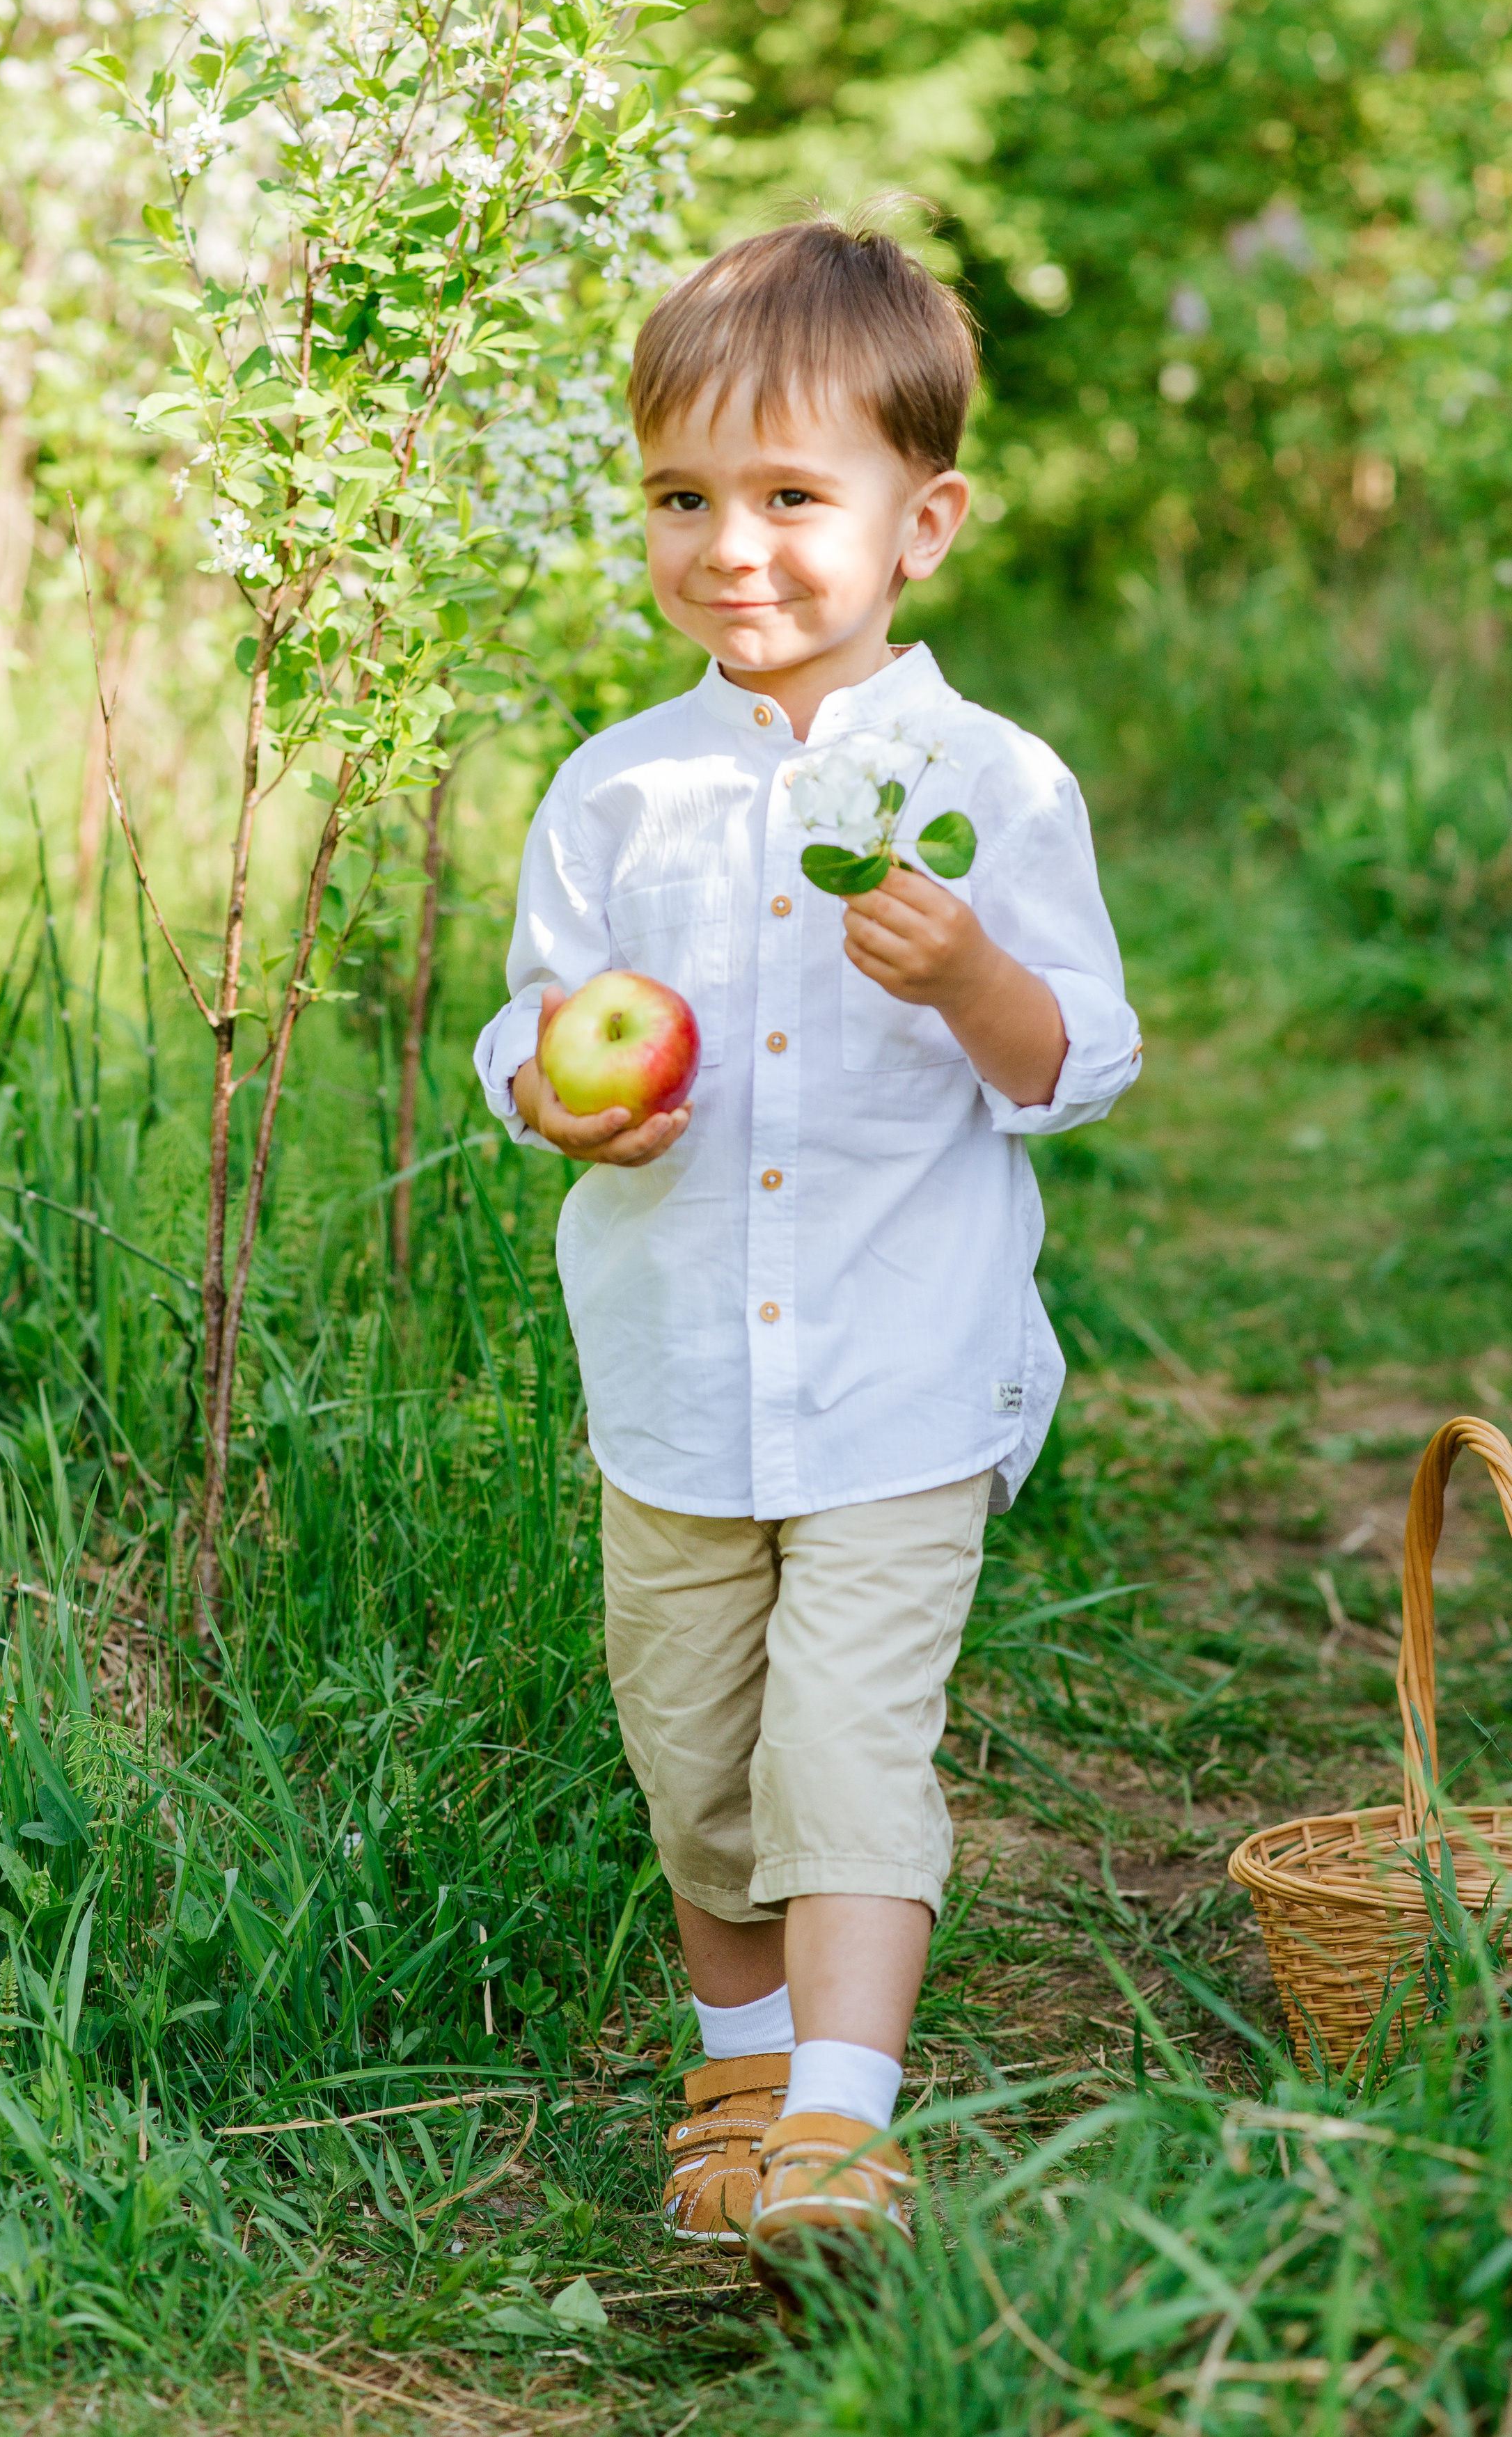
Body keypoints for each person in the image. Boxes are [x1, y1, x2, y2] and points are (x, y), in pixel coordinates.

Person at [473, 214, 1142, 2287]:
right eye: (684, 496)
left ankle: (842, 2119)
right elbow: (533, 1023)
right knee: (696, 1760)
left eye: (789, 496)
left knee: (846, 1747)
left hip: (899, 1371)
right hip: (672, 1374)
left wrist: (969, 975)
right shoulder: (616, 790)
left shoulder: (984, 786)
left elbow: (1078, 1061)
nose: (728, 547)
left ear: (922, 520)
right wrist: (560, 1096)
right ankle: (739, 2068)